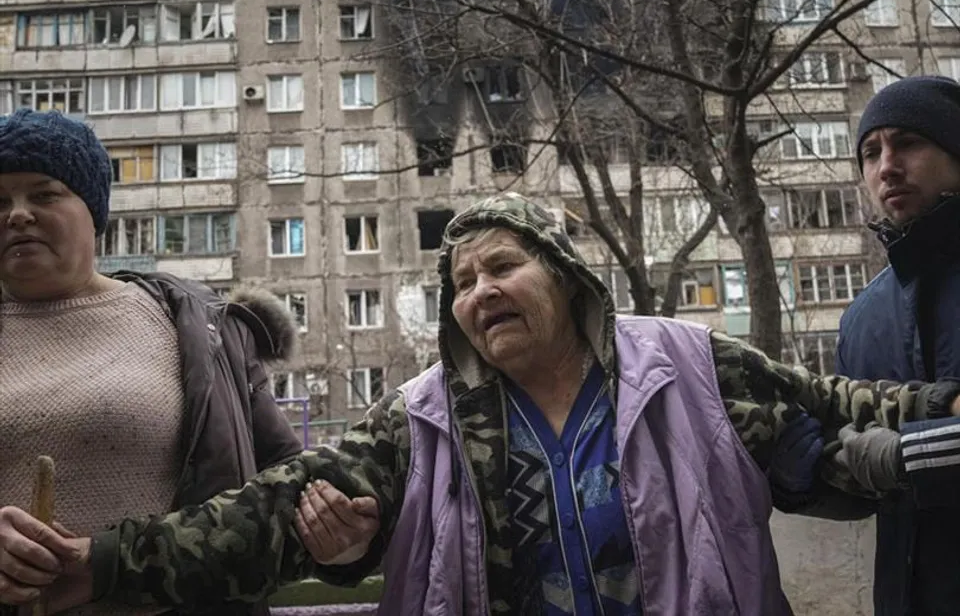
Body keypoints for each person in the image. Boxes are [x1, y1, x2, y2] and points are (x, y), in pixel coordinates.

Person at [13, 192, 960, 616]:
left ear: (566, 274)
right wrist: (103, 563)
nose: (477, 292)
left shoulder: (688, 363)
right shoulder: (424, 413)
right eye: (460, 283)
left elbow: (845, 412)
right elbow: (264, 519)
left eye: (501, 265)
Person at [0, 108, 379, 616]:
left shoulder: (197, 326)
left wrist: (344, 537)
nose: (17, 214)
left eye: (44, 193)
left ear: (93, 209)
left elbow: (288, 484)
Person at [823, 75, 960, 615]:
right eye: (870, 152)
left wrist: (907, 456)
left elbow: (891, 458)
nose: (887, 167)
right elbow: (851, 459)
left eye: (908, 142)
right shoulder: (861, 318)